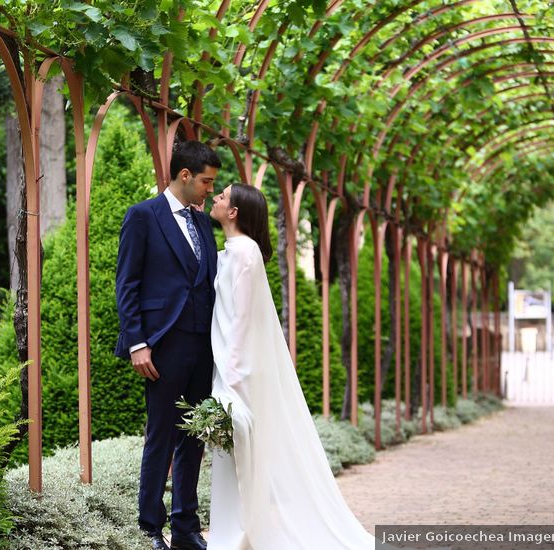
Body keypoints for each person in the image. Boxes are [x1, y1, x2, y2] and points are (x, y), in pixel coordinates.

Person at [206, 184, 377, 549]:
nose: (216, 199)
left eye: (221, 196)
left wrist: (232, 375)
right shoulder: (233, 251)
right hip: (227, 364)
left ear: (233, 212)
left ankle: (242, 534)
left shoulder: (246, 253)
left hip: (238, 370)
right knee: (232, 454)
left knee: (242, 453)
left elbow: (243, 318)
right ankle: (236, 531)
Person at [115, 140, 222, 550]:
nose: (209, 190)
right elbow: (128, 285)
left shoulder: (203, 224)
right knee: (161, 434)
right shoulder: (143, 216)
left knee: (195, 434)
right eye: (206, 182)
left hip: (203, 345)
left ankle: (186, 528)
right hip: (161, 345)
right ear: (184, 176)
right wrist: (137, 343)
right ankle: (149, 528)